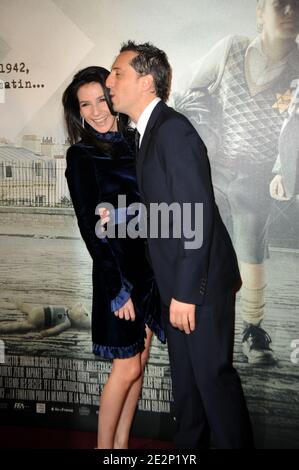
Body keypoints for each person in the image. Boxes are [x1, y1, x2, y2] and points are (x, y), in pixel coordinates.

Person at [106, 42, 253, 449]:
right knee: (188, 391)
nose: (108, 81)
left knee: (212, 384)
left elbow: (197, 214)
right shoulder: (149, 133)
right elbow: (169, 211)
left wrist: (187, 293)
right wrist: (121, 218)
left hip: (198, 287)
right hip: (180, 288)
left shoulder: (172, 131)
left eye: (118, 73)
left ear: (146, 81)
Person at [172, 0, 299, 365]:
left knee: (249, 246)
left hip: (257, 173)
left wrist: (282, 168)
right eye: (281, 5)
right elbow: (188, 88)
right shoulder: (231, 48)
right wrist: (200, 128)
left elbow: (296, 127)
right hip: (213, 166)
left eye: (297, 6)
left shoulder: (297, 67)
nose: (290, 13)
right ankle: (192, 321)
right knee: (199, 245)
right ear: (260, 12)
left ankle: (252, 329)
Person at [62, 66, 165, 449]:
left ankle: (121, 447)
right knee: (126, 368)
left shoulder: (136, 142)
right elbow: (92, 229)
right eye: (85, 105)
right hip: (118, 273)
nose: (96, 110)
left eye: (101, 99)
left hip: (149, 272)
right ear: (78, 111)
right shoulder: (81, 155)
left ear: (113, 96)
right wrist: (117, 287)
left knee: (139, 368)